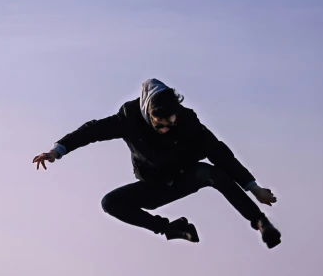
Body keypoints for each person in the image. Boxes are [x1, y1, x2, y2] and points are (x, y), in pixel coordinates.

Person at [32, 78, 282, 248]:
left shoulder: (188, 122)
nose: (164, 129)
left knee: (213, 172)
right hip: (154, 186)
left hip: (185, 175)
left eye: (169, 124)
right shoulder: (127, 119)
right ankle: (171, 229)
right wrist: (57, 150)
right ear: (146, 112)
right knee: (110, 203)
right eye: (158, 124)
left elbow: (220, 153)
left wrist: (253, 186)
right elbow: (91, 131)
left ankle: (261, 222)